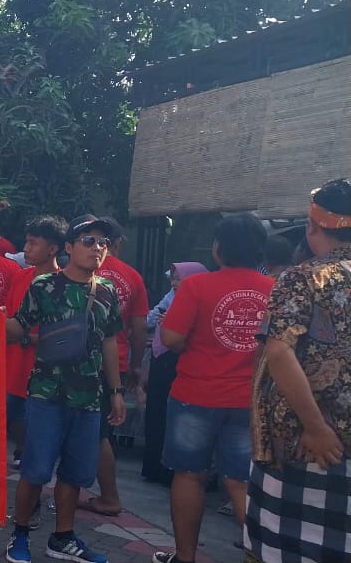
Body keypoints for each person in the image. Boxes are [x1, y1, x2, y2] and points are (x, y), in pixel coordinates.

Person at [151, 214, 271, 563]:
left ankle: (185, 556)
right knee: (241, 481)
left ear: (218, 249)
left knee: (189, 475)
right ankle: (261, 556)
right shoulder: (276, 289)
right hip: (249, 400)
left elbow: (171, 338)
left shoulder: (197, 286)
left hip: (195, 396)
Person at [6, 214, 125, 563]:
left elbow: (109, 342)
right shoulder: (44, 286)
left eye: (103, 242)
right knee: (36, 470)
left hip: (89, 397)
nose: (97, 248)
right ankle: (21, 535)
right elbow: (20, 326)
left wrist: (116, 391)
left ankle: (63, 537)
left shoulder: (107, 290)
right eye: (89, 241)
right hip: (47, 394)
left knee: (75, 472)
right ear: (69, 248)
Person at [245, 178, 351, 563]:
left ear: (312, 225)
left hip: (305, 445)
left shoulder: (301, 278)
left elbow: (279, 353)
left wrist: (315, 427)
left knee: (287, 548)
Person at [84, 217, 149, 517]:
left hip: (87, 363)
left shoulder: (77, 270)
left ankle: (109, 496)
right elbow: (138, 328)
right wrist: (135, 366)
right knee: (99, 432)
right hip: (117, 363)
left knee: (95, 434)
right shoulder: (132, 277)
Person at [5, 216, 68, 480]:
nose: (26, 248)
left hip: (43, 374)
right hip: (12, 369)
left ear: (53, 249)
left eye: (33, 243)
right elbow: (8, 319)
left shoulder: (65, 282)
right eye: (26, 243)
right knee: (11, 422)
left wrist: (28, 338)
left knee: (40, 437)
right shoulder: (20, 277)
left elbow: (64, 333)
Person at [142, 262, 209, 485]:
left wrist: (172, 322)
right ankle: (153, 466)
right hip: (162, 356)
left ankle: (171, 472)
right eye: (173, 278)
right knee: (157, 412)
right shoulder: (171, 295)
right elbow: (151, 318)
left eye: (179, 278)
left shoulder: (201, 298)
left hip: (182, 359)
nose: (174, 283)